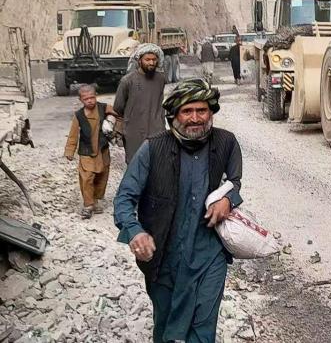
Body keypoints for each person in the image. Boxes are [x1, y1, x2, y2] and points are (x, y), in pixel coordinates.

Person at [114, 78, 243, 343]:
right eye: (187, 111)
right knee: (165, 326)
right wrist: (135, 232)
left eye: (202, 110)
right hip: (164, 258)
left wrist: (228, 199)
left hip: (209, 255)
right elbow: (124, 198)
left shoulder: (226, 142)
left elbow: (235, 182)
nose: (195, 118)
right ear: (174, 114)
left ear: (211, 112)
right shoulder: (153, 148)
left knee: (203, 329)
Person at [63, 84, 117, 218]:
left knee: (102, 176)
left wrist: (110, 121)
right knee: (87, 178)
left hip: (102, 149)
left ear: (96, 96)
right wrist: (70, 150)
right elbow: (73, 134)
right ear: (81, 100)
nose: (90, 101)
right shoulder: (79, 115)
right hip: (87, 151)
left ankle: (96, 199)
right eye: (86, 99)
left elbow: (118, 116)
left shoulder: (104, 108)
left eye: (92, 97)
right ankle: (88, 204)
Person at [115, 43, 167, 165]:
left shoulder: (161, 79)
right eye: (147, 59)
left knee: (157, 165)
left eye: (154, 59)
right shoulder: (127, 81)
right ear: (139, 60)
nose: (151, 63)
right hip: (134, 132)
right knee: (135, 166)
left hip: (157, 130)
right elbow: (118, 107)